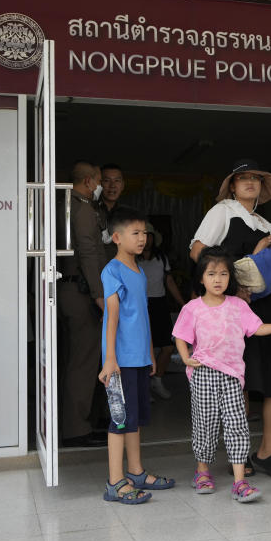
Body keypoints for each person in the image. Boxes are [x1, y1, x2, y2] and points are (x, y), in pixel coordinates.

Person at [190, 159, 271, 479]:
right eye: (242, 178)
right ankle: (238, 453)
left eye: (255, 179)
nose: (249, 183)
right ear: (231, 185)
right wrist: (230, 284)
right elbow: (198, 252)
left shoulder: (267, 223)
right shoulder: (223, 211)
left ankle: (267, 450)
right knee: (238, 378)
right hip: (233, 305)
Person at [172, 247, 271, 503]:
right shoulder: (193, 308)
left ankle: (239, 482)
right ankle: (202, 472)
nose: (217, 279)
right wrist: (185, 357)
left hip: (233, 375)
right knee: (206, 424)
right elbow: (180, 336)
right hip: (203, 374)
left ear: (230, 278)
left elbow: (256, 329)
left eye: (223, 274)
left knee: (237, 425)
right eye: (211, 274)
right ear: (201, 278)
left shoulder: (238, 305)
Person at [98, 207, 175, 504]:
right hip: (120, 361)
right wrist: (109, 359)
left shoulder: (139, 271)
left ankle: (136, 472)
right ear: (117, 237)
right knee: (120, 420)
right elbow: (112, 317)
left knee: (136, 418)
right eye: (136, 233)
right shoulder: (112, 270)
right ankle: (115, 482)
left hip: (139, 358)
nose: (143, 238)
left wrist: (151, 355)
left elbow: (141, 317)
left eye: (145, 233)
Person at [57, 161, 109, 448]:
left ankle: (79, 422)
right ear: (90, 182)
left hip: (69, 290)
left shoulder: (64, 205)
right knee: (84, 361)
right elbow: (89, 253)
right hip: (80, 292)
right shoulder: (83, 209)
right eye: (99, 181)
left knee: (75, 359)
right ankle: (76, 429)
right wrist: (99, 294)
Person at [140, 222, 186, 399]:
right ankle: (143, 387)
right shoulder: (132, 258)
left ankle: (157, 381)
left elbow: (170, 282)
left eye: (149, 235)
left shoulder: (162, 258)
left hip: (159, 304)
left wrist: (183, 304)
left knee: (167, 347)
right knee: (145, 347)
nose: (146, 239)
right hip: (141, 305)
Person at [95, 163, 129, 262]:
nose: (112, 186)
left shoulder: (127, 215)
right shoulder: (91, 210)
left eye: (117, 181)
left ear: (122, 185)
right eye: (107, 181)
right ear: (99, 184)